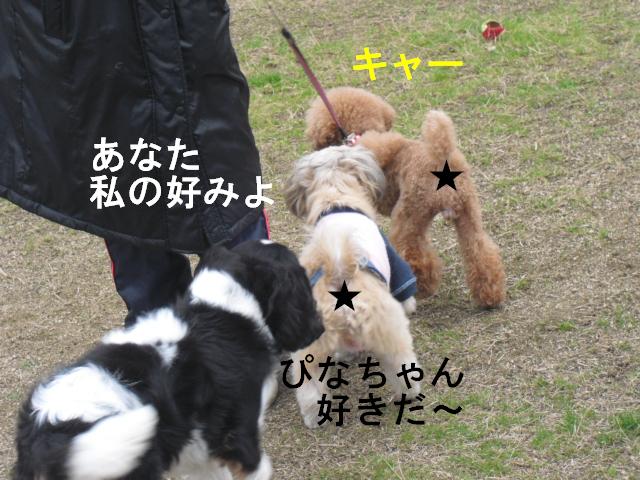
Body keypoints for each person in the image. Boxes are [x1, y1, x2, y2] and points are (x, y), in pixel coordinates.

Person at [0, 1, 269, 324]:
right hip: (93, 51)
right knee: (134, 211)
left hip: (190, 40)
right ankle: (159, 334)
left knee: (234, 217)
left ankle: (253, 322)